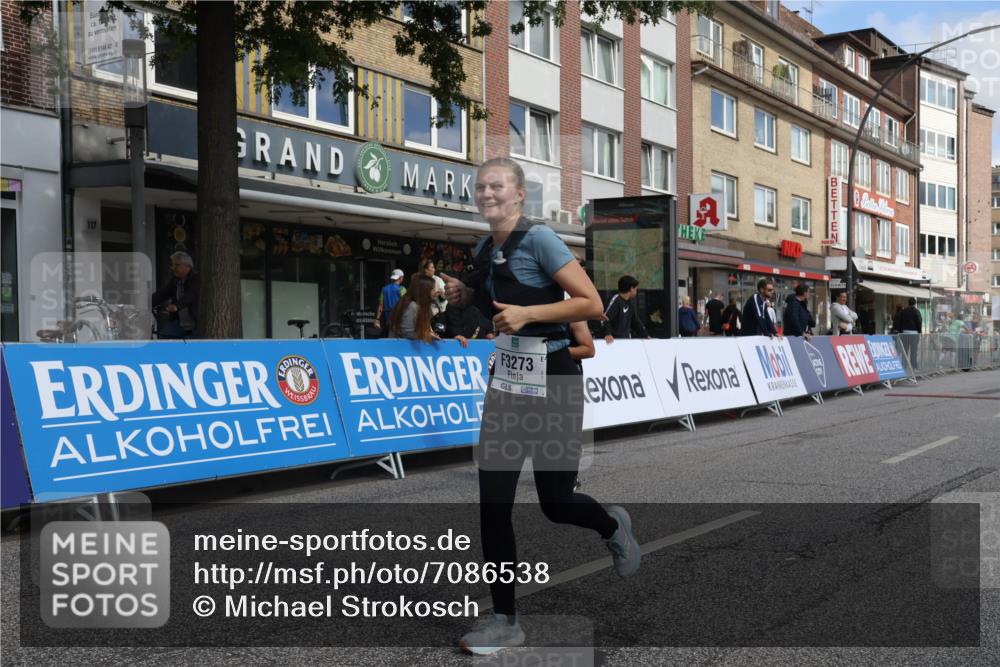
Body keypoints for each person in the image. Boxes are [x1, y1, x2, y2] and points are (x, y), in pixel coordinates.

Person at [440, 157, 638, 656]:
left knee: (555, 503)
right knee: (493, 502)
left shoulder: (540, 239)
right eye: (481, 186)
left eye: (497, 186)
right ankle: (506, 620)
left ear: (519, 194)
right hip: (507, 383)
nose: (487, 193)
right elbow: (498, 310)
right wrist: (468, 293)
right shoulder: (485, 248)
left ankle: (612, 525)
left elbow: (590, 303)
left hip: (555, 380)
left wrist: (531, 312)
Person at [152, 251, 200, 338]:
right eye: (172, 265)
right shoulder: (175, 280)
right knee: (164, 335)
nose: (173, 268)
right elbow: (162, 294)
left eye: (177, 265)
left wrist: (177, 306)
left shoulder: (196, 279)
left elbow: (191, 295)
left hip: (196, 324)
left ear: (187, 266)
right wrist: (145, 304)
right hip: (179, 323)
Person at [387, 274, 439, 343]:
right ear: (425, 290)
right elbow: (407, 333)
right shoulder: (412, 306)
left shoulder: (422, 306)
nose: (436, 291)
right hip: (400, 349)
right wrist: (427, 335)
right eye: (433, 288)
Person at [601, 275, 649, 343]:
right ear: (631, 288)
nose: (636, 291)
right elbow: (604, 318)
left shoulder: (629, 304)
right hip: (613, 343)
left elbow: (636, 322)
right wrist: (608, 333)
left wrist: (646, 336)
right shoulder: (616, 300)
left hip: (626, 343)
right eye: (636, 289)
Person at [374, 268, 406, 334]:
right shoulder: (402, 289)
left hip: (388, 319)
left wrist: (377, 319)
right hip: (399, 319)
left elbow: (381, 305)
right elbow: (406, 304)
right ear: (401, 278)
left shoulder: (384, 289)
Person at [893, 297, 922, 369]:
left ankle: (904, 365)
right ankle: (913, 365)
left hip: (904, 332)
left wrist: (900, 331)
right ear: (915, 303)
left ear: (908, 303)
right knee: (914, 350)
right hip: (914, 333)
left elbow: (900, 322)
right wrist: (919, 331)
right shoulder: (916, 311)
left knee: (905, 350)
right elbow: (919, 322)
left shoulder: (903, 311)